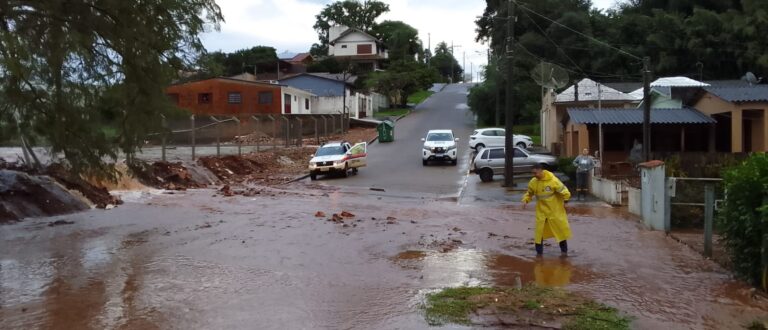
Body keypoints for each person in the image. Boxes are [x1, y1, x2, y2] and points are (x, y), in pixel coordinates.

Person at [522, 164, 572, 257]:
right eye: (532, 173)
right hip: (541, 211)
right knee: (539, 232)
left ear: (541, 171)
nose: (534, 175)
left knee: (560, 231)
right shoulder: (533, 182)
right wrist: (525, 200)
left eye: (535, 173)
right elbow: (529, 193)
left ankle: (564, 252)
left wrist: (566, 202)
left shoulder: (553, 181)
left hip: (554, 210)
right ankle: (539, 254)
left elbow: (565, 191)